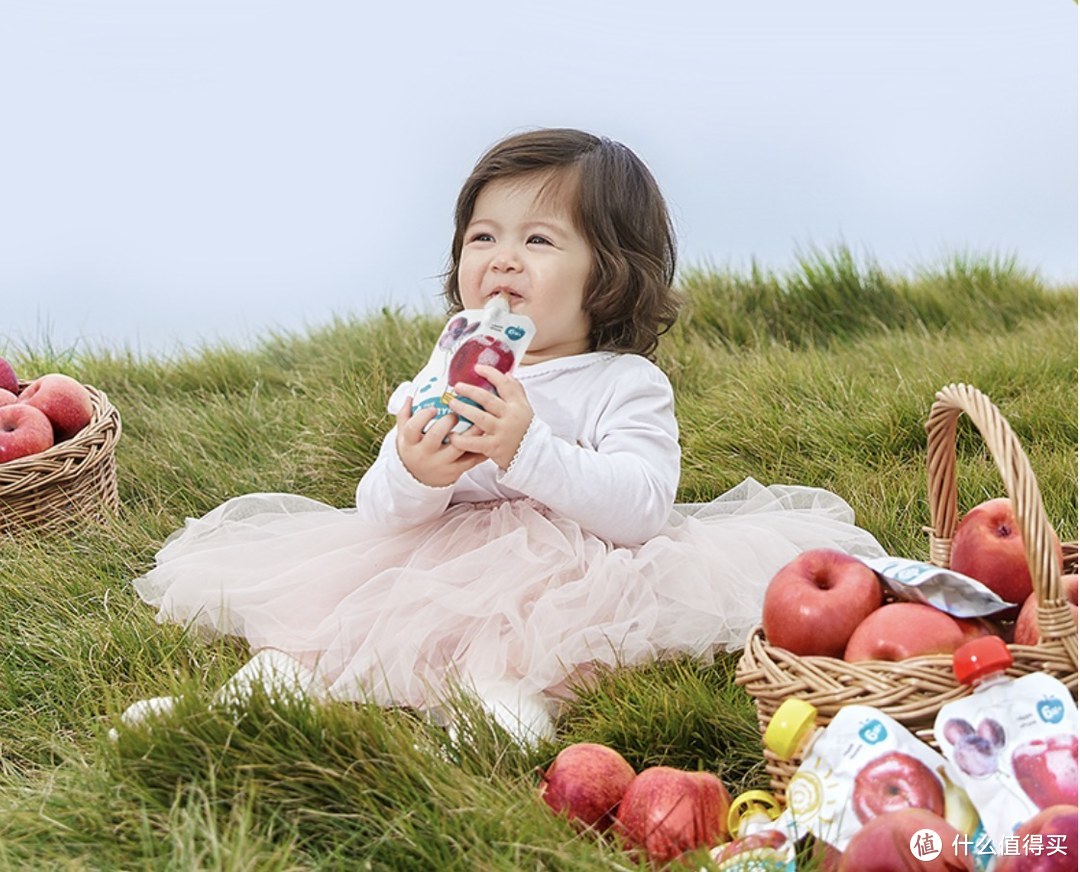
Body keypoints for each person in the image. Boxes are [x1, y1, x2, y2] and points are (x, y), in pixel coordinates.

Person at [120, 128, 884, 744]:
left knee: (514, 660)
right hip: (431, 558)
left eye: (541, 241)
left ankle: (496, 720)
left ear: (609, 274)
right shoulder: (451, 361)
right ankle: (237, 711)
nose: (503, 257)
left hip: (570, 573)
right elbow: (380, 514)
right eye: (483, 236)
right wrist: (417, 471)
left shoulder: (622, 382)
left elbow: (643, 507)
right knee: (309, 643)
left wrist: (528, 452)